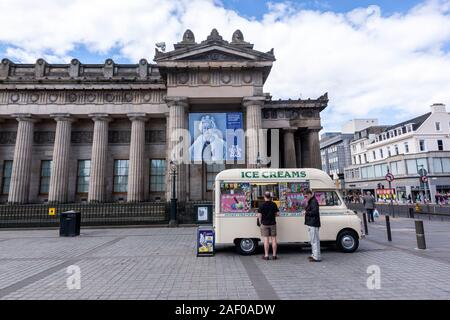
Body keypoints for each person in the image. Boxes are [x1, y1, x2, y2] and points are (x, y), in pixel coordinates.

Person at [257, 191, 280, 260]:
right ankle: (274, 255)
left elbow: (259, 215)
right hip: (273, 224)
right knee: (274, 239)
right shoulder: (274, 204)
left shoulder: (261, 205)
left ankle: (266, 256)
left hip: (264, 224)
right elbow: (277, 214)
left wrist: (260, 223)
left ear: (264, 197)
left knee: (266, 239)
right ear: (270, 197)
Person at [304, 189, 321, 262]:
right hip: (311, 223)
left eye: (306, 196)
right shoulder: (311, 201)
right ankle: (314, 255)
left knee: (314, 240)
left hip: (313, 223)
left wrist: (306, 212)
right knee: (312, 240)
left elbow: (315, 212)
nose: (305, 197)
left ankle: (316, 257)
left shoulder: (313, 201)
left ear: (310, 194)